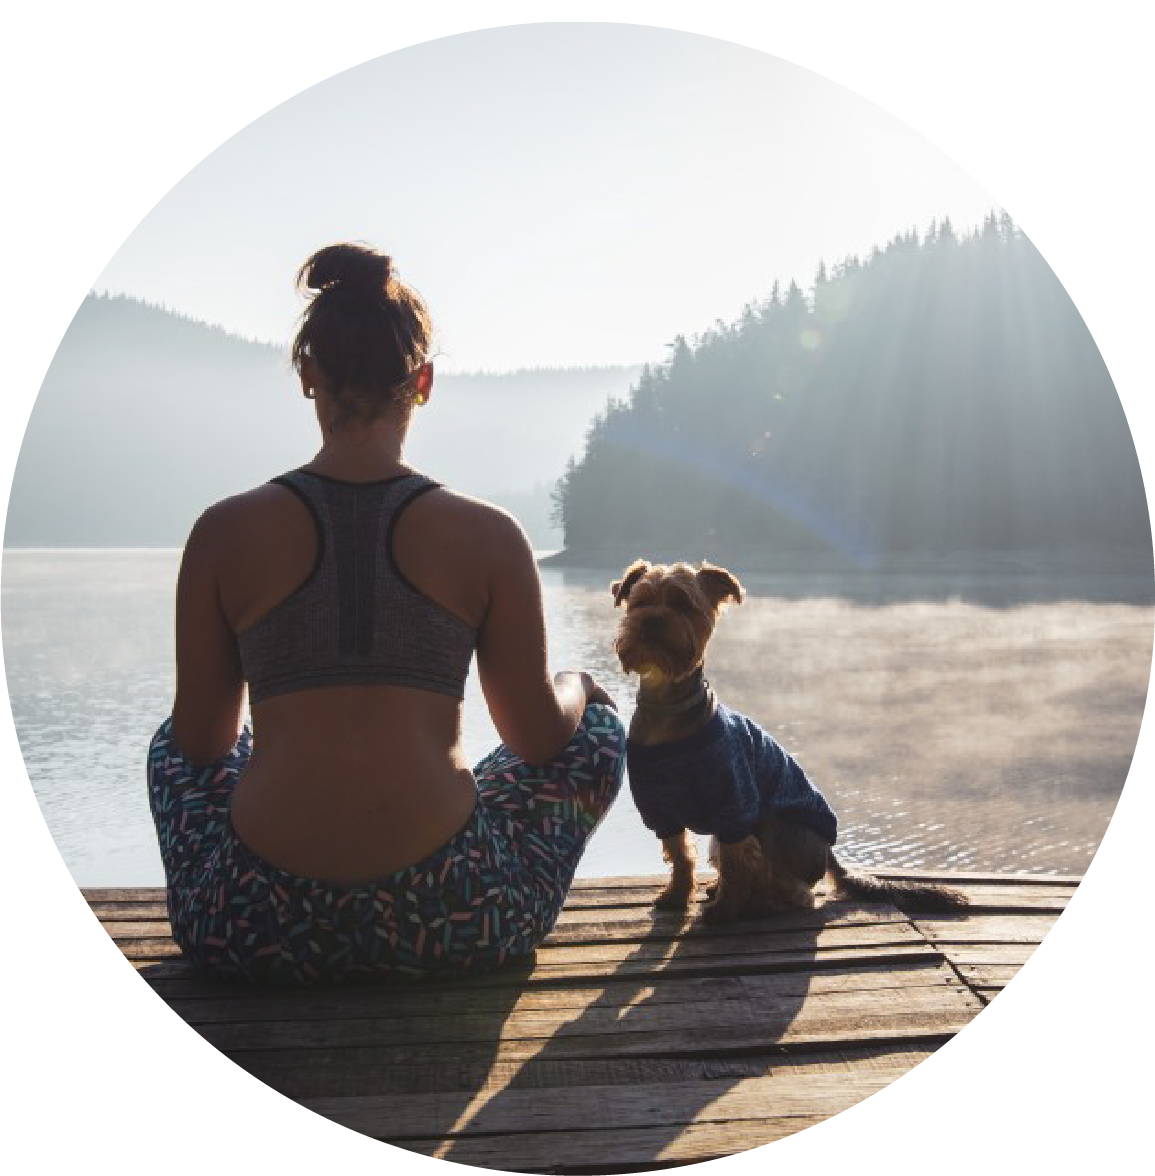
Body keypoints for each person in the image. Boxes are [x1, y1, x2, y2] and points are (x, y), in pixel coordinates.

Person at [147, 243, 625, 985]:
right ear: (423, 381)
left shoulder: (223, 530)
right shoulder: (488, 535)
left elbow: (204, 744)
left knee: (168, 747)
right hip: (454, 919)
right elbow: (534, 738)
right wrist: (577, 684)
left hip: (250, 925)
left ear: (309, 375)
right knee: (592, 729)